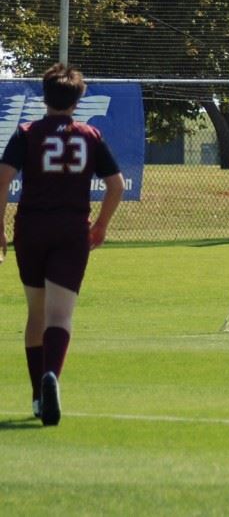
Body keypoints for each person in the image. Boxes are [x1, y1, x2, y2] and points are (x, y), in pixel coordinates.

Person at [0, 64, 125, 426]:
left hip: (32, 228)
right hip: (71, 229)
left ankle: (39, 397)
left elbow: (3, 178)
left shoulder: (27, 132)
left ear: (44, 96)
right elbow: (115, 185)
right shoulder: (90, 135)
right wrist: (101, 225)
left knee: (35, 314)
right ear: (78, 99)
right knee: (60, 316)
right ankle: (51, 373)